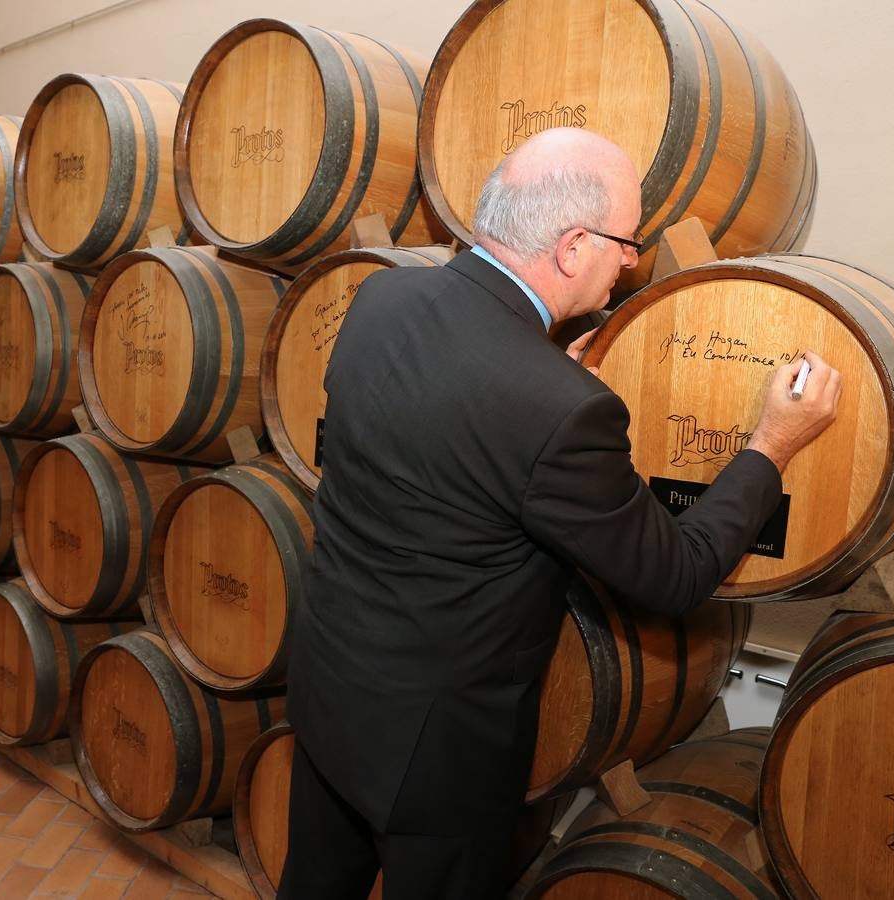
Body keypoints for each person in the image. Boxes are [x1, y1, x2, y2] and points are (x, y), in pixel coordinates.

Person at [279, 127, 841, 899]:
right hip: (433, 751)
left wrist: (538, 364)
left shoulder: (383, 296)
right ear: (573, 246)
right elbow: (675, 576)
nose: (631, 260)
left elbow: (446, 426)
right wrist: (771, 445)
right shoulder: (563, 410)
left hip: (328, 683)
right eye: (624, 241)